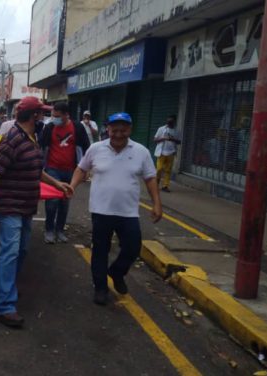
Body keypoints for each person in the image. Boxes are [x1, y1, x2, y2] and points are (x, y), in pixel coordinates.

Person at [0, 96, 73, 328]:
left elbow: (37, 169)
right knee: (10, 252)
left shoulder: (32, 138)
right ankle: (4, 306)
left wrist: (58, 185)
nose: (47, 118)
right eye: (42, 114)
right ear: (34, 116)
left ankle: (7, 289)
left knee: (21, 251)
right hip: (10, 206)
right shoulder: (12, 140)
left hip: (27, 206)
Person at [69, 112, 162, 305]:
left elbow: (150, 178)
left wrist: (156, 203)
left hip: (128, 212)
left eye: (123, 130)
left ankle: (117, 272)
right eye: (115, 130)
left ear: (130, 129)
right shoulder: (96, 149)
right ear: (108, 129)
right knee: (100, 250)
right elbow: (81, 168)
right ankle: (100, 288)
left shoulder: (141, 151)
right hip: (101, 210)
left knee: (132, 248)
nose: (119, 134)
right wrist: (72, 186)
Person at [40, 101, 90, 244]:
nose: (54, 118)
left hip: (71, 171)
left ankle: (60, 230)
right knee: (52, 201)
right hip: (52, 169)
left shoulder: (77, 127)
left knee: (64, 201)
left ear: (66, 115)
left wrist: (85, 169)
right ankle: (49, 230)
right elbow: (41, 146)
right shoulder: (49, 127)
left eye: (57, 116)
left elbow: (86, 147)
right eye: (53, 115)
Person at [154, 115, 181, 193]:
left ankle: (165, 186)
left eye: (171, 122)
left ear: (174, 122)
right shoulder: (161, 129)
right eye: (168, 122)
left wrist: (173, 139)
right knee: (159, 169)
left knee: (168, 170)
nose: (169, 123)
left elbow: (179, 142)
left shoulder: (176, 131)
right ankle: (156, 184)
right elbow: (155, 139)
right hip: (161, 152)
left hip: (171, 153)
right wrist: (163, 138)